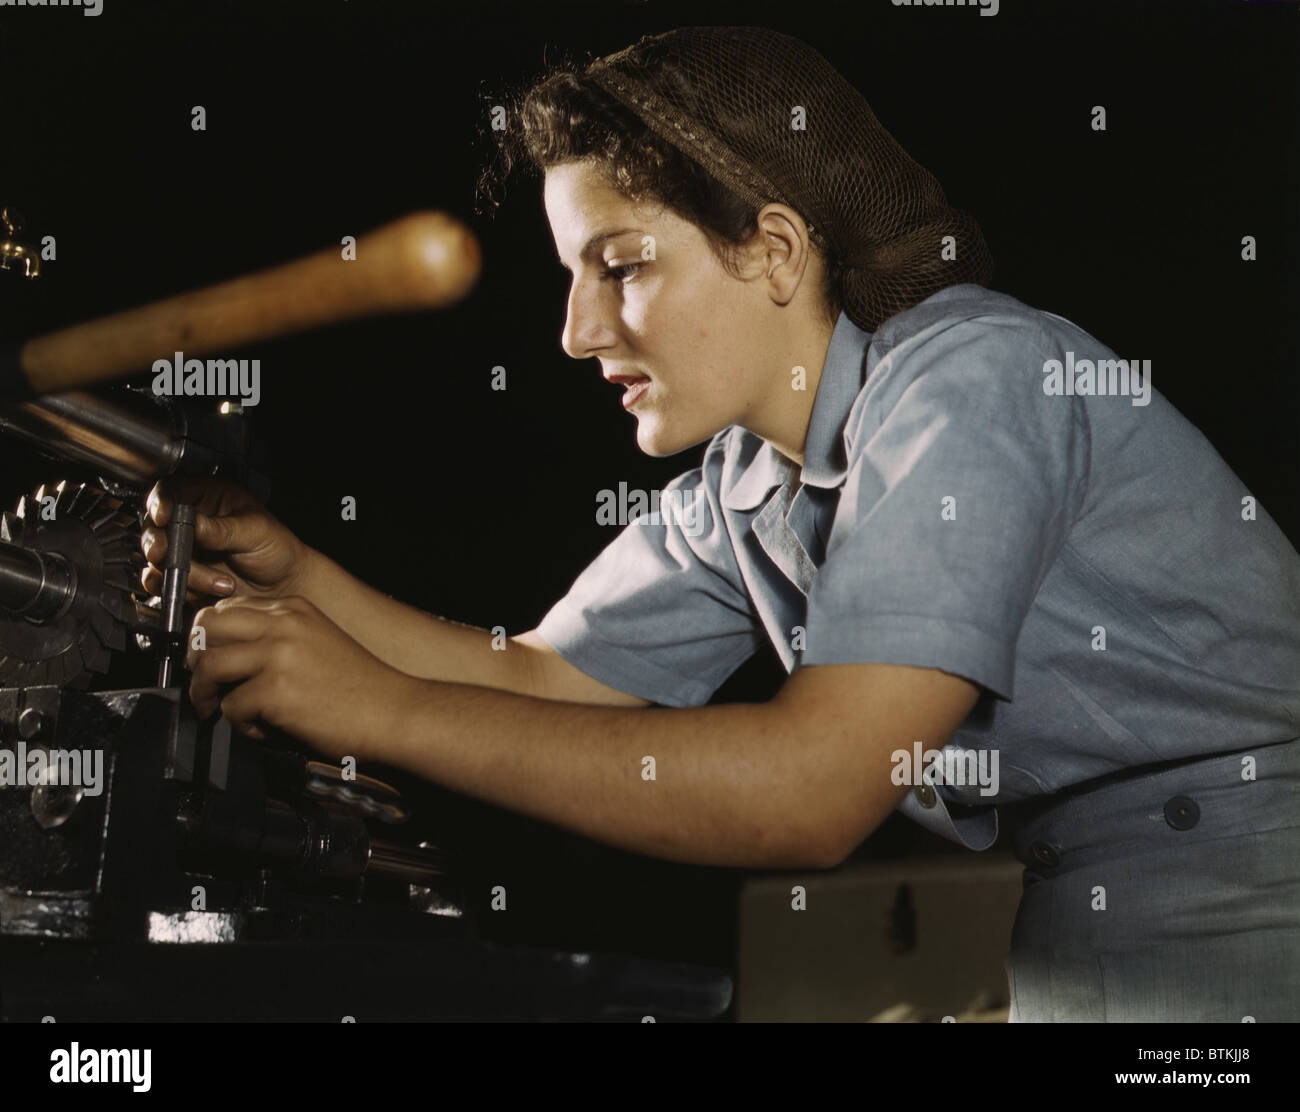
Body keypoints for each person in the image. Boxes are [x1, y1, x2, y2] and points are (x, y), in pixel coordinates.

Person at [142, 26, 1300, 1022]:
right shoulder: (747, 481)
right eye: (569, 275)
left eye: (622, 265)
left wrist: (380, 710)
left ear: (775, 249)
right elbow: (543, 679)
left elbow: (810, 790)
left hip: (1251, 897)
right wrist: (300, 582)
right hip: (1073, 906)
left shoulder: (972, 380)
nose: (575, 331)